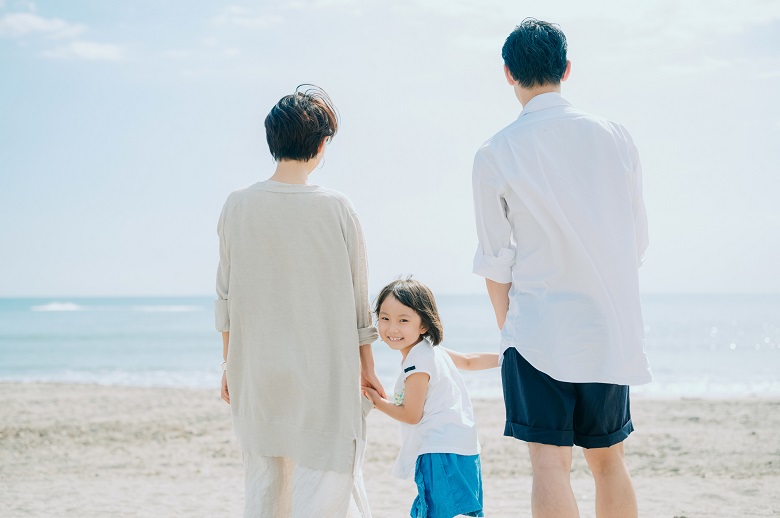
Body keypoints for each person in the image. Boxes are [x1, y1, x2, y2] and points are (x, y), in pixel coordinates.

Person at [471, 19, 651, 518]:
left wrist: (509, 328)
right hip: (607, 327)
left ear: (508, 73)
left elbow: (494, 258)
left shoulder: (495, 152)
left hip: (538, 331)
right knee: (609, 461)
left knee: (549, 469)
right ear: (566, 69)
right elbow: (636, 240)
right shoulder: (616, 136)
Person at [214, 85, 385, 518]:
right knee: (325, 493)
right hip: (324, 373)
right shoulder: (337, 207)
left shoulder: (237, 205)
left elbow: (226, 297)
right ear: (322, 143)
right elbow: (357, 299)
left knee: (265, 490)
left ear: (273, 140)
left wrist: (228, 365)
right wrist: (367, 368)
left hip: (257, 370)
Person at [362, 278, 498, 518]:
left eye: (403, 320)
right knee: (462, 511)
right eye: (385, 318)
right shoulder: (430, 350)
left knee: (438, 512)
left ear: (424, 324)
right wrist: (508, 357)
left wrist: (376, 401)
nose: (392, 328)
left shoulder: (418, 361)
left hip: (440, 448)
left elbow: (410, 415)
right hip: (464, 447)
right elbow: (469, 360)